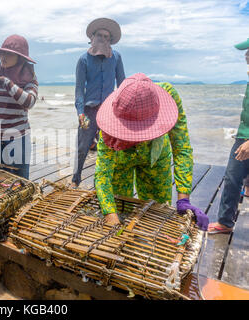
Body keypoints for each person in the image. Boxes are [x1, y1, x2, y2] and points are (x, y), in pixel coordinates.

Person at [93, 73, 208, 231]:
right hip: (120, 160)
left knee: (157, 215)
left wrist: (183, 199)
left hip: (156, 157)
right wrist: (110, 214)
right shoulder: (111, 120)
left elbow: (181, 147)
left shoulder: (170, 96)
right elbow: (103, 173)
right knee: (121, 209)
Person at [71, 18, 126, 188]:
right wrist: (80, 113)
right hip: (89, 110)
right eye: (99, 35)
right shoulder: (83, 60)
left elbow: (122, 84)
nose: (103, 39)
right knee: (82, 147)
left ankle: (103, 184)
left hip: (109, 111)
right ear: (92, 37)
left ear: (110, 40)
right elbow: (80, 90)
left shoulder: (116, 57)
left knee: (109, 148)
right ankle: (75, 179)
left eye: (106, 37)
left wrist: (122, 110)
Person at [0, 34, 38, 179]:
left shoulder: (29, 77)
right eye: (2, 53)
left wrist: (6, 82)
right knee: (1, 180)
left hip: (18, 138)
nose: (3, 56)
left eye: (9, 54)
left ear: (20, 58)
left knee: (21, 181)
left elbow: (29, 102)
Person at [208, 39, 249, 234]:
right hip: (243, 134)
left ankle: (224, 222)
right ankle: (225, 221)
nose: (246, 55)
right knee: (235, 176)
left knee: (233, 177)